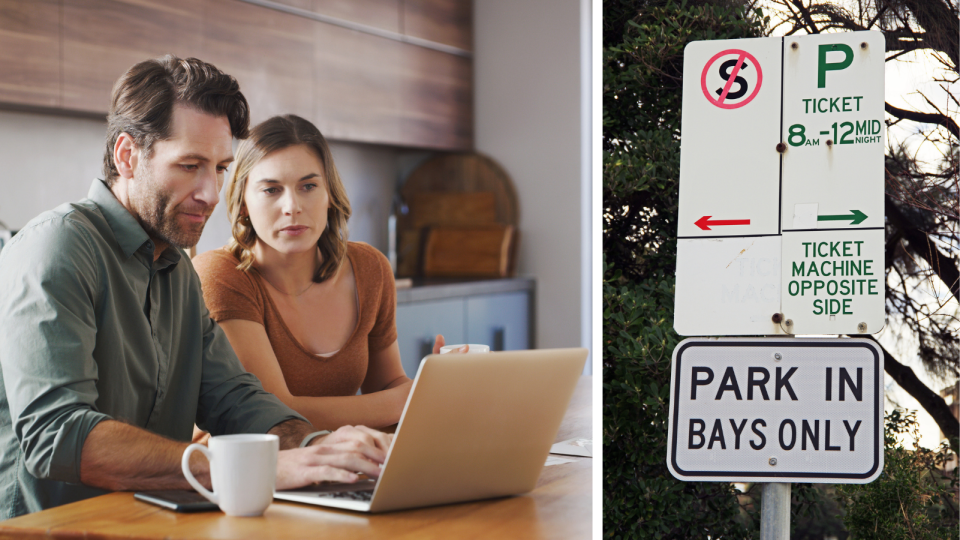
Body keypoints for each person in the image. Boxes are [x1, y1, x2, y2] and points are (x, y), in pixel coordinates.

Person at [0, 56, 388, 519]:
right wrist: (252, 468)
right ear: (127, 155)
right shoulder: (59, 246)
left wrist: (318, 447)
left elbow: (233, 397)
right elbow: (58, 435)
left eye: (221, 168)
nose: (210, 193)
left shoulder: (176, 267)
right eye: (189, 165)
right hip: (51, 529)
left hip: (146, 522)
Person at [193, 115, 458, 432]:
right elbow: (274, 413)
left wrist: (437, 384)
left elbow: (387, 384)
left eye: (308, 186)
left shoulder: (369, 269)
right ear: (244, 202)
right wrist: (403, 400)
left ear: (329, 193)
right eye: (271, 190)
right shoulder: (221, 275)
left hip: (340, 468)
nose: (292, 206)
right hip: (246, 474)